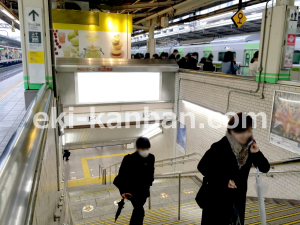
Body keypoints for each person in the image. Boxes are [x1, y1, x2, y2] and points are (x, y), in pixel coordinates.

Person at [197, 112, 270, 225]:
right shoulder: (220, 147)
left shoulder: (250, 147)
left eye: (249, 131)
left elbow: (265, 168)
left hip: (238, 201)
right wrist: (224, 180)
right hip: (218, 200)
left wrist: (257, 153)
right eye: (242, 131)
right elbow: (202, 166)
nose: (246, 135)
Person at [113, 137, 155, 225]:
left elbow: (151, 174)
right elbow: (121, 176)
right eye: (143, 148)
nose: (145, 150)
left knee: (139, 209)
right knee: (139, 210)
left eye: (147, 148)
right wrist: (123, 192)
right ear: (137, 148)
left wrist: (149, 183)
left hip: (143, 192)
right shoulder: (128, 159)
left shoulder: (151, 158)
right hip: (132, 193)